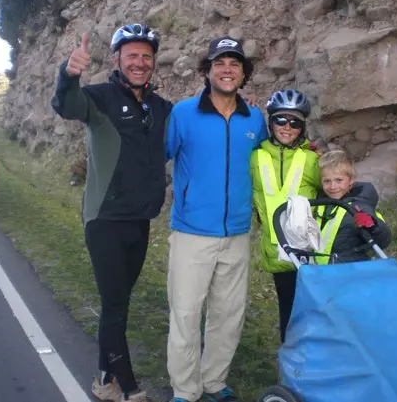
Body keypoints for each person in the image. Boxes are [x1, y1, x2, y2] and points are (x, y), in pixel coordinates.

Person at [51, 24, 172, 402]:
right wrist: (69, 75)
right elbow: (67, 105)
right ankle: (128, 387)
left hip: (139, 220)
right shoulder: (100, 97)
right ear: (118, 59)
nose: (140, 62)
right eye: (132, 55)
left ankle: (104, 378)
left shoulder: (160, 107)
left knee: (120, 301)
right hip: (105, 220)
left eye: (146, 56)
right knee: (115, 306)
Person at [164, 37, 268, 402]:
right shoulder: (182, 113)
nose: (227, 69)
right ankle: (185, 389)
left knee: (228, 314)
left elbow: (266, 165)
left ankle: (213, 381)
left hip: (237, 233)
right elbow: (157, 155)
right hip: (192, 232)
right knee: (186, 314)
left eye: (235, 63)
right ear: (206, 71)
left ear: (244, 74)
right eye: (219, 63)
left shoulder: (255, 117)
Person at [249, 89, 321, 344]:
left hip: (309, 252)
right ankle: (290, 369)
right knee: (288, 314)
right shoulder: (255, 155)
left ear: (302, 127)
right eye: (280, 120)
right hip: (276, 252)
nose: (287, 127)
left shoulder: (313, 158)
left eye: (295, 122)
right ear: (270, 123)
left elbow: (335, 188)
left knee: (312, 315)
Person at [315, 149, 391, 264]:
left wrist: (372, 226)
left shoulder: (360, 205)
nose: (332, 186)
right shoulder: (320, 204)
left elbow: (384, 241)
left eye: (339, 180)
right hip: (321, 270)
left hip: (351, 269)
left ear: (351, 180)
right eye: (327, 181)